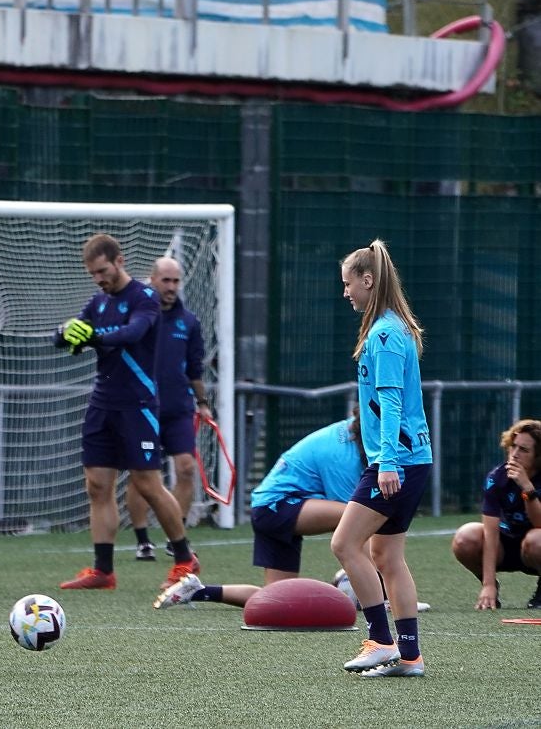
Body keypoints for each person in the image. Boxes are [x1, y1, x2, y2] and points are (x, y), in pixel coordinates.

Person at [55, 234, 200, 591]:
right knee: (97, 485)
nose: (99, 279)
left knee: (148, 484)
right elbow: (69, 336)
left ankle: (184, 559)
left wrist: (91, 335)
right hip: (102, 404)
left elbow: (133, 333)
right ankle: (103, 570)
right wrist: (64, 332)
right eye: (92, 274)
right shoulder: (98, 301)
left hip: (137, 406)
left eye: (102, 271)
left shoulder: (144, 297)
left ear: (119, 261)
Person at [329, 239, 432, 678]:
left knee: (344, 544)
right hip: (412, 458)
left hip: (399, 461)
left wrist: (387, 462)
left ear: (368, 280)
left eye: (348, 284)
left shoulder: (385, 334)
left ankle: (382, 641)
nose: (346, 292)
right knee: (387, 557)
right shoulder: (389, 328)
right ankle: (410, 657)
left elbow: (390, 404)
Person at [155, 415, 362, 608]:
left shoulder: (355, 433)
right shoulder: (343, 454)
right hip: (277, 506)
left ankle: (197, 591)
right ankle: (377, 590)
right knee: (357, 514)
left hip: (269, 509)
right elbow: (357, 521)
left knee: (279, 600)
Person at [126, 256, 210, 561]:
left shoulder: (188, 322)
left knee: (186, 469)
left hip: (177, 410)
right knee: (143, 476)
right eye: (166, 280)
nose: (172, 287)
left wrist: (202, 403)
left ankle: (177, 537)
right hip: (141, 408)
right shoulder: (139, 316)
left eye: (176, 281)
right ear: (153, 280)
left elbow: (195, 369)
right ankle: (142, 540)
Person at [450, 418, 541, 610]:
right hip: (506, 546)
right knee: (465, 537)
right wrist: (488, 584)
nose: (514, 454)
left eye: (523, 450)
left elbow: (539, 522)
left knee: (537, 539)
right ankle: (492, 592)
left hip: (535, 548)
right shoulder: (497, 477)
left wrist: (527, 489)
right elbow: (490, 534)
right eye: (513, 446)